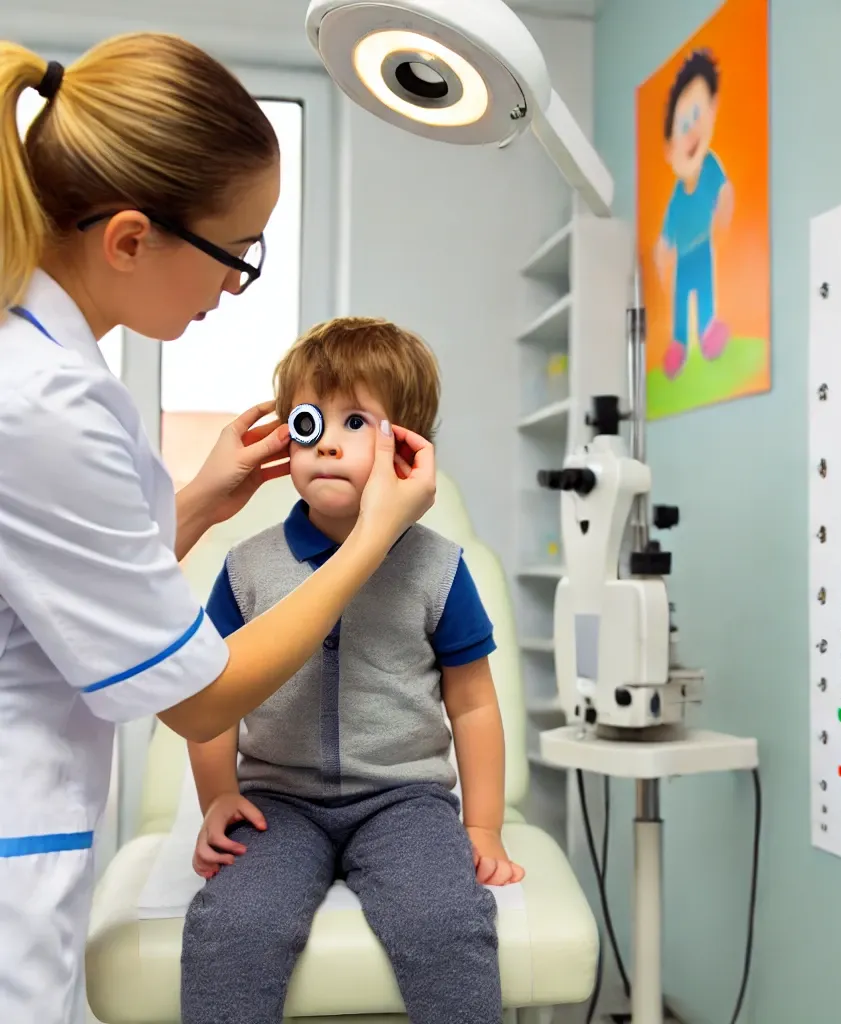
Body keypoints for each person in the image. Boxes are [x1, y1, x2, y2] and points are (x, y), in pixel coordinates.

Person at [0, 35, 436, 1024]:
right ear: (127, 238)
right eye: (236, 252)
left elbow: (70, 584)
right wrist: (371, 538)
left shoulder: (42, 371)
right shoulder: (40, 401)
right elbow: (202, 701)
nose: (235, 283)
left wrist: (197, 499)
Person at [179, 317, 524, 1024]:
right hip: (279, 804)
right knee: (231, 929)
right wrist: (218, 796)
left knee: (446, 923)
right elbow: (207, 694)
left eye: (356, 421)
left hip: (405, 803)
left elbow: (474, 705)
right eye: (311, 423)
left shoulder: (437, 567)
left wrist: (483, 827)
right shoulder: (247, 566)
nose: (327, 442)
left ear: (407, 448)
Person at [655, 48, 734, 379]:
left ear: (713, 111)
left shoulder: (711, 166)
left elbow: (725, 192)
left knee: (705, 291)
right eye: (683, 124)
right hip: (684, 256)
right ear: (669, 150)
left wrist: (724, 212)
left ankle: (707, 330)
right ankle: (678, 343)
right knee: (679, 300)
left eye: (698, 115)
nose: (692, 130)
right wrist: (662, 253)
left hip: (701, 248)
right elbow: (666, 233)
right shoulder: (676, 196)